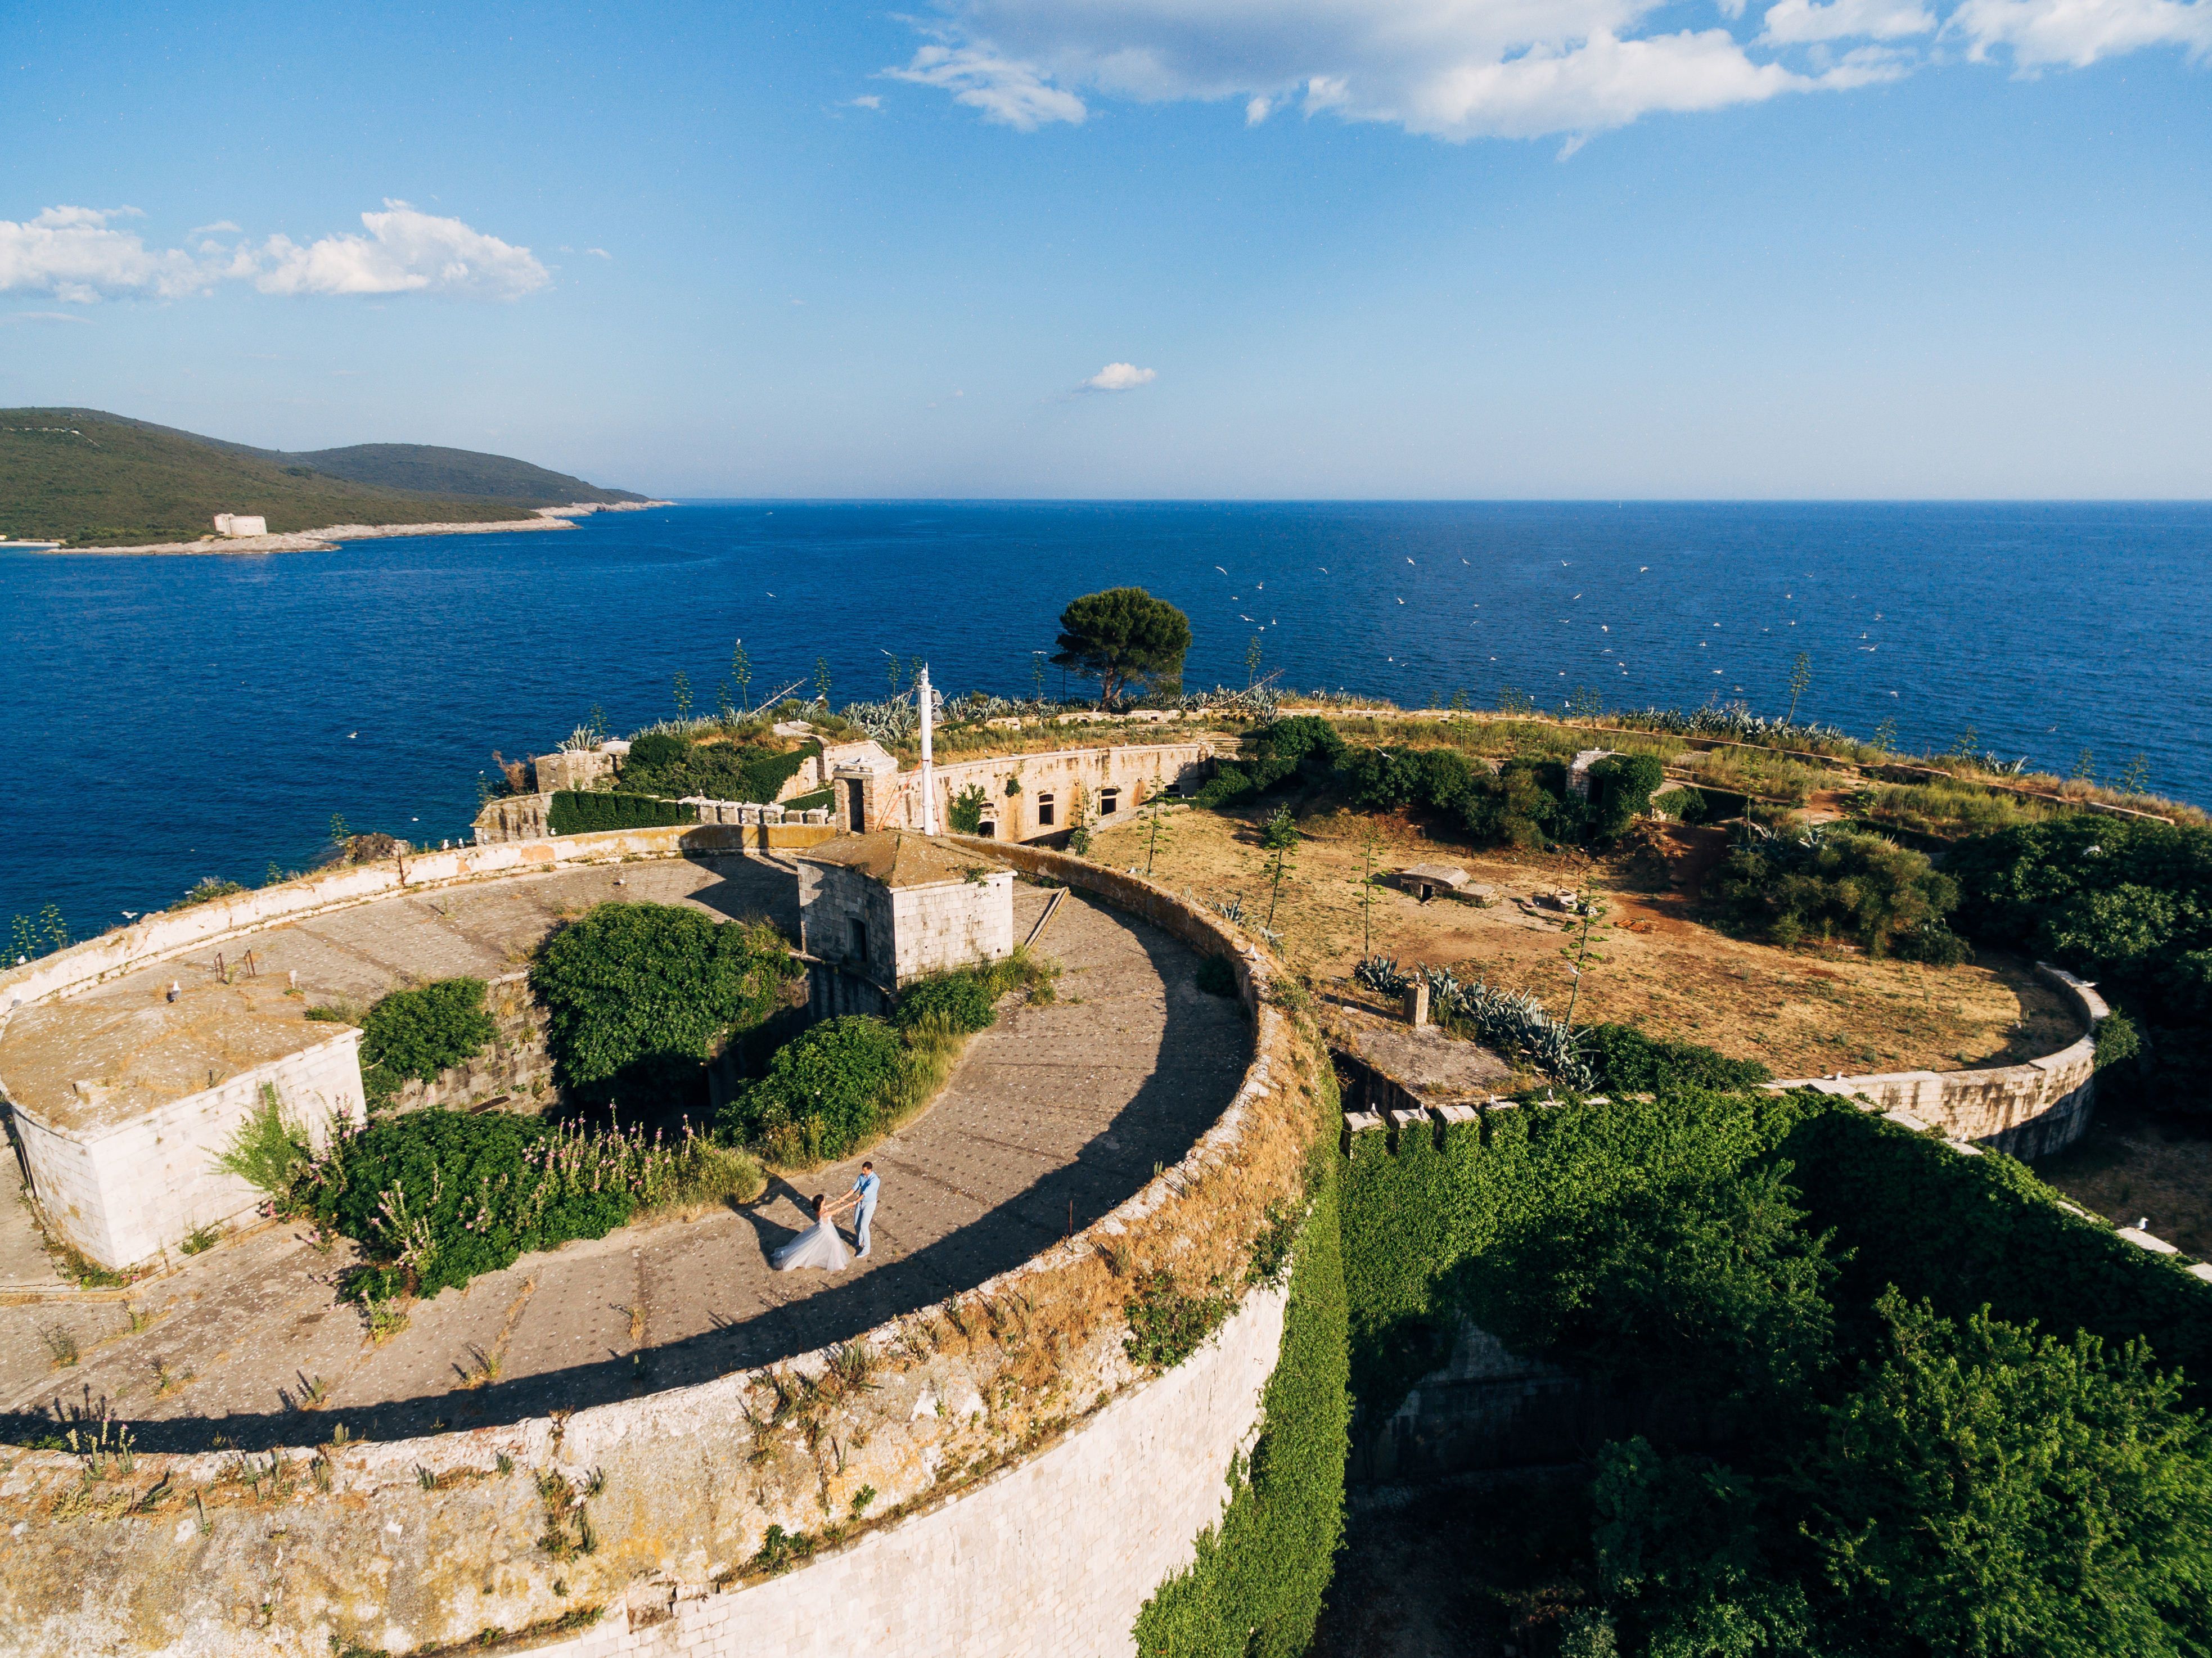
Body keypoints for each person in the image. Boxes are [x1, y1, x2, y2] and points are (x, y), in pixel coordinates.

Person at [770, 1192, 850, 1272]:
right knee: (836, 1245)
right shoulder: (824, 1214)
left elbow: (829, 1207)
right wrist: (847, 1206)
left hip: (823, 1229)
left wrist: (837, 1202)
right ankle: (839, 1265)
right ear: (822, 1202)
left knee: (821, 1245)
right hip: (826, 1232)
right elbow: (836, 1211)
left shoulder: (819, 1210)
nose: (825, 1201)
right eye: (824, 1200)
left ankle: (838, 1263)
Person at [848, 1161, 880, 1258]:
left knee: (864, 1225)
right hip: (861, 1203)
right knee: (856, 1224)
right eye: (863, 1170)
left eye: (865, 1171)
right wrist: (843, 1198)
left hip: (869, 1204)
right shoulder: (862, 1176)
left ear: (870, 1170)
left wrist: (854, 1202)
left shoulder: (875, 1180)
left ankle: (866, 1249)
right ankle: (859, 1238)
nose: (863, 1172)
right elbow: (854, 1189)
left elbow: (864, 1194)